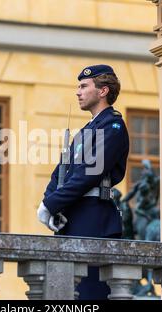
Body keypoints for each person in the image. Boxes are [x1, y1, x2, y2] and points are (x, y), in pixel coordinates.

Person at [36, 64, 130, 299]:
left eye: (84, 86)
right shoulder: (86, 131)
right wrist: (49, 200)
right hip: (73, 219)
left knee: (89, 297)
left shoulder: (113, 126)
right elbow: (62, 171)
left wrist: (53, 204)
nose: (78, 92)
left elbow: (90, 172)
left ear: (103, 91)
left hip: (94, 221)